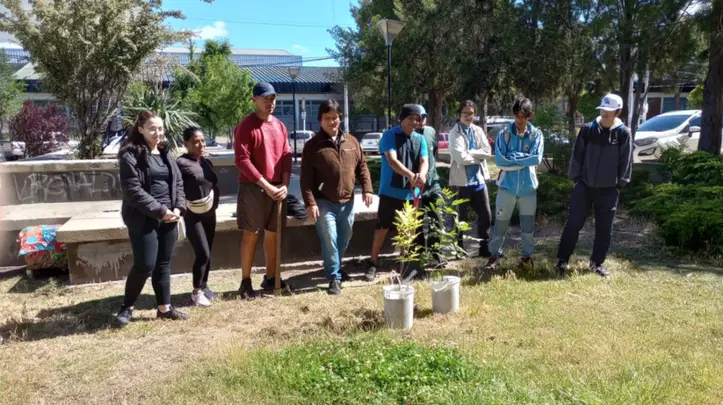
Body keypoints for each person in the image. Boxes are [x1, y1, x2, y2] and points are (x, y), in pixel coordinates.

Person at [115, 111, 188, 326]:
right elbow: (132, 190)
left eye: (160, 128)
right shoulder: (130, 155)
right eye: (152, 129)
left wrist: (178, 207)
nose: (158, 133)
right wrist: (161, 210)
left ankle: (164, 308)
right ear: (141, 130)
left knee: (163, 263)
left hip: (169, 216)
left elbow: (178, 183)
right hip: (143, 217)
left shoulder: (166, 152)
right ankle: (127, 307)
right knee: (145, 264)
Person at [555, 94, 633, 278]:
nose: (604, 113)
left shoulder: (623, 133)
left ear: (618, 112)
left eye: (609, 111)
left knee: (604, 229)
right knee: (573, 224)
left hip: (609, 190)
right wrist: (576, 179)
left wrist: (619, 185)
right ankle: (562, 260)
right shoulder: (588, 129)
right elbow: (577, 155)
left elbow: (626, 161)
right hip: (584, 186)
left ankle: (596, 263)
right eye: (603, 109)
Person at [300, 99, 373, 295]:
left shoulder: (352, 142)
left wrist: (367, 189)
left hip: (347, 201)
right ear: (320, 120)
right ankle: (334, 277)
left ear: (340, 118)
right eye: (327, 118)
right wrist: (310, 203)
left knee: (345, 236)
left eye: (335, 118)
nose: (332, 122)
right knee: (330, 237)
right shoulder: (312, 146)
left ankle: (336, 267)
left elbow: (362, 166)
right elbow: (305, 179)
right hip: (324, 201)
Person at [233, 82, 292, 298]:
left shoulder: (280, 126)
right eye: (265, 98)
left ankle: (271, 278)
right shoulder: (246, 126)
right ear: (254, 100)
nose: (270, 103)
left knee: (273, 234)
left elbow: (286, 158)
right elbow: (242, 160)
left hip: (277, 188)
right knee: (251, 234)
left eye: (272, 98)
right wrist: (265, 185)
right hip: (253, 187)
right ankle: (245, 282)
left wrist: (284, 185)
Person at [363, 104, 429, 281]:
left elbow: (424, 160)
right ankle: (372, 262)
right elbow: (392, 161)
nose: (414, 122)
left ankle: (405, 264)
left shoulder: (420, 139)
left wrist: (422, 175)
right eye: (410, 118)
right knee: (382, 228)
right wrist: (411, 175)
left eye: (417, 119)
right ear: (401, 119)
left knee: (409, 229)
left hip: (412, 193)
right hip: (390, 192)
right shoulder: (389, 135)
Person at [483, 98, 544, 270]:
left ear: (530, 116)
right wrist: (524, 159)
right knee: (500, 225)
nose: (519, 120)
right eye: (516, 116)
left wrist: (513, 157)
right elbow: (500, 161)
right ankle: (494, 256)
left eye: (523, 116)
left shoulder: (536, 135)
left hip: (528, 188)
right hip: (506, 188)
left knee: (528, 226)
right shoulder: (504, 134)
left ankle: (526, 257)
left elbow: (536, 159)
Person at [177, 127, 220, 307]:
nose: (200, 144)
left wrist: (214, 204)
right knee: (202, 252)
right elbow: (177, 189)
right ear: (186, 143)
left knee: (208, 251)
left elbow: (213, 185)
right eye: (195, 141)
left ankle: (204, 285)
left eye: (202, 140)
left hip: (209, 213)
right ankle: (196, 292)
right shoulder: (180, 163)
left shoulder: (206, 162)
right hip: (192, 215)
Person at [448, 100, 493, 258]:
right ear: (459, 114)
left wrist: (470, 152)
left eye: (471, 113)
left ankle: (484, 247)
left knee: (486, 216)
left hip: (479, 181)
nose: (468, 116)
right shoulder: (454, 133)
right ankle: (459, 250)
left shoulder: (478, 130)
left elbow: (487, 151)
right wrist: (477, 156)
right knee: (460, 218)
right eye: (465, 113)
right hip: (461, 183)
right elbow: (460, 158)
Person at [410, 105, 444, 273]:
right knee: (416, 219)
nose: (421, 120)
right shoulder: (409, 135)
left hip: (433, 183)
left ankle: (435, 252)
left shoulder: (430, 132)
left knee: (437, 217)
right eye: (417, 117)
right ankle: (418, 254)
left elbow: (433, 152)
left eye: (423, 117)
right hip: (416, 186)